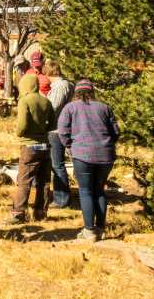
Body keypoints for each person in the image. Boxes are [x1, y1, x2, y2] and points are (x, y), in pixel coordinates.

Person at [57, 79, 120, 242]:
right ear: (92, 92)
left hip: (82, 154)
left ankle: (89, 231)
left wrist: (70, 146)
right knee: (99, 189)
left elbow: (62, 132)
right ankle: (100, 228)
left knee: (85, 191)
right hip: (106, 155)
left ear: (76, 93)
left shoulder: (70, 108)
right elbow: (116, 132)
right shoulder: (105, 108)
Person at [6, 72, 56, 224]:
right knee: (43, 181)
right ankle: (40, 212)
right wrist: (42, 130)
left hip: (29, 145)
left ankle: (18, 213)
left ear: (25, 85)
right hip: (45, 146)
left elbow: (22, 124)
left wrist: (19, 133)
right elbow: (53, 124)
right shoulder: (46, 101)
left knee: (24, 180)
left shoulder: (25, 101)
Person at [46, 61, 75, 208]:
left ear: (49, 73)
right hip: (63, 128)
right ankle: (63, 195)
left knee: (57, 165)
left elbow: (52, 108)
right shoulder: (68, 85)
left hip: (56, 129)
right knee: (59, 164)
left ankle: (61, 199)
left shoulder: (59, 87)